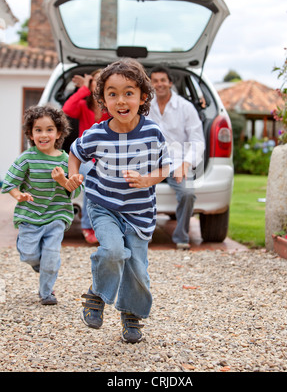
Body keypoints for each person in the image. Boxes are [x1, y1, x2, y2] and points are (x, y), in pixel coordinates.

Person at [64, 58, 171, 343]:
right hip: (104, 207)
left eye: (128, 93)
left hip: (139, 213)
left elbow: (165, 167)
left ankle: (131, 315)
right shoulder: (97, 133)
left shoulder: (152, 133)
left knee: (136, 267)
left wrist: (149, 179)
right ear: (103, 99)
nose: (120, 100)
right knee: (112, 251)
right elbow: (75, 153)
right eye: (112, 93)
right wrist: (74, 175)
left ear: (142, 97)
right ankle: (97, 294)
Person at [1, 106, 83, 305]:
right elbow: (10, 183)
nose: (43, 134)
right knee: (30, 255)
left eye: (49, 129)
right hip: (30, 216)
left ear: (59, 133)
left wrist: (63, 181)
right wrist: (19, 195)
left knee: (51, 255)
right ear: (30, 133)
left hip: (57, 215)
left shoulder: (66, 160)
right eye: (38, 130)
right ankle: (39, 262)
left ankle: (46, 292)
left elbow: (76, 191)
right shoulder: (27, 158)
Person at [148, 66, 205, 250]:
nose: (159, 84)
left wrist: (186, 165)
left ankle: (181, 235)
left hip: (178, 163)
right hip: (151, 162)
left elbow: (197, 141)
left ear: (170, 83)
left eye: (163, 80)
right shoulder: (145, 107)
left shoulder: (186, 108)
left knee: (188, 193)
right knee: (133, 189)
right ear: (150, 83)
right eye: (155, 80)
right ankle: (142, 233)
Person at [63, 69, 110, 245]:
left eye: (102, 81)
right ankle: (87, 226)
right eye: (95, 81)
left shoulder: (111, 107)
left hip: (106, 157)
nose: (98, 84)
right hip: (84, 157)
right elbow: (67, 109)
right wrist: (83, 89)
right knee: (92, 175)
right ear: (90, 85)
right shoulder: (83, 106)